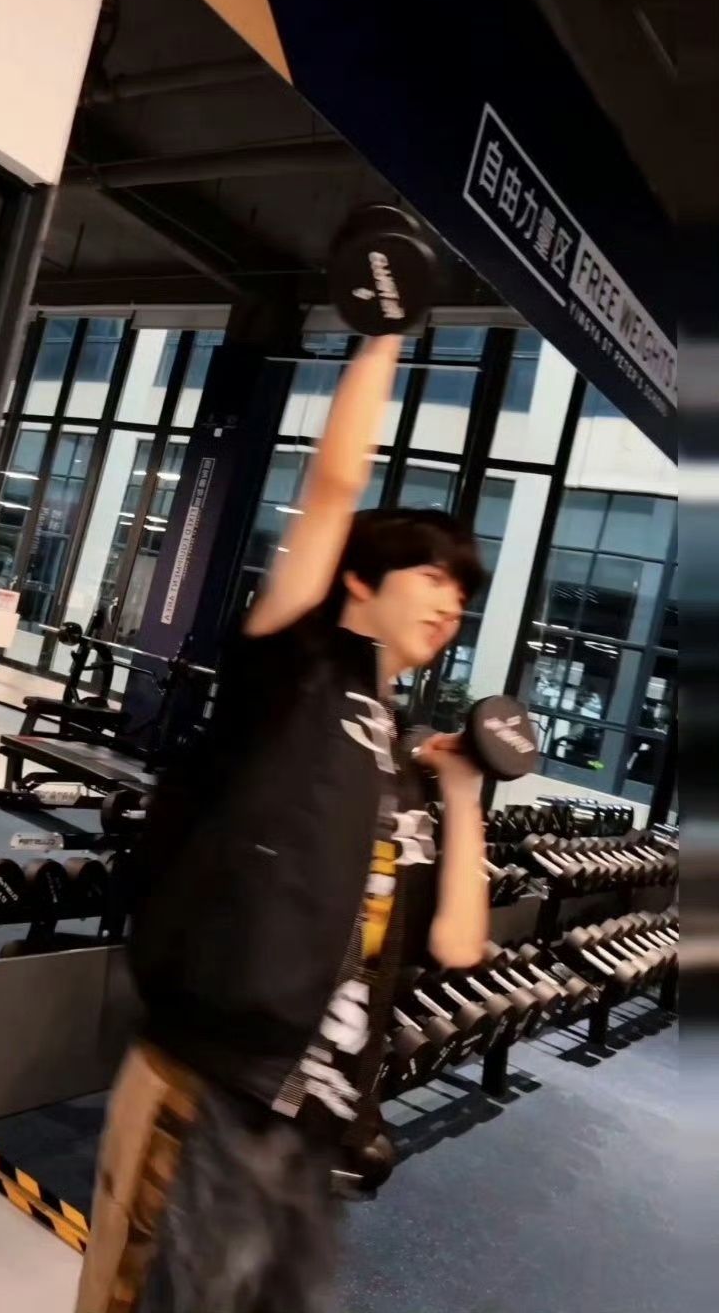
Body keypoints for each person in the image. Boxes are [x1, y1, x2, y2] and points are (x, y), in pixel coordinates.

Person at [76, 334, 489, 1313]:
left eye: (464, 592)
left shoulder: (395, 757)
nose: (452, 603)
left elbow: (459, 945)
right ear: (360, 580)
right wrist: (386, 330)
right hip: (215, 1079)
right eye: (433, 576)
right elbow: (334, 488)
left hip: (317, 1115)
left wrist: (465, 794)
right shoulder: (293, 668)